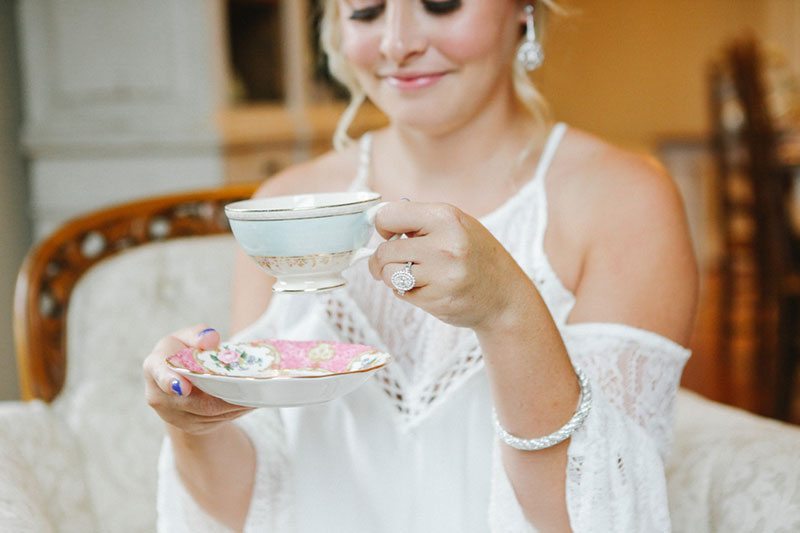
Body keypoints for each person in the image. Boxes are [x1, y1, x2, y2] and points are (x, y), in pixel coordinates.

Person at [143, 0, 698, 531]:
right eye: (365, 10)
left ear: (523, 8)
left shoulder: (624, 201)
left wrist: (507, 310)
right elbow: (256, 504)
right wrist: (196, 425)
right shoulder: (288, 209)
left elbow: (592, 513)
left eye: (440, 3)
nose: (398, 43)